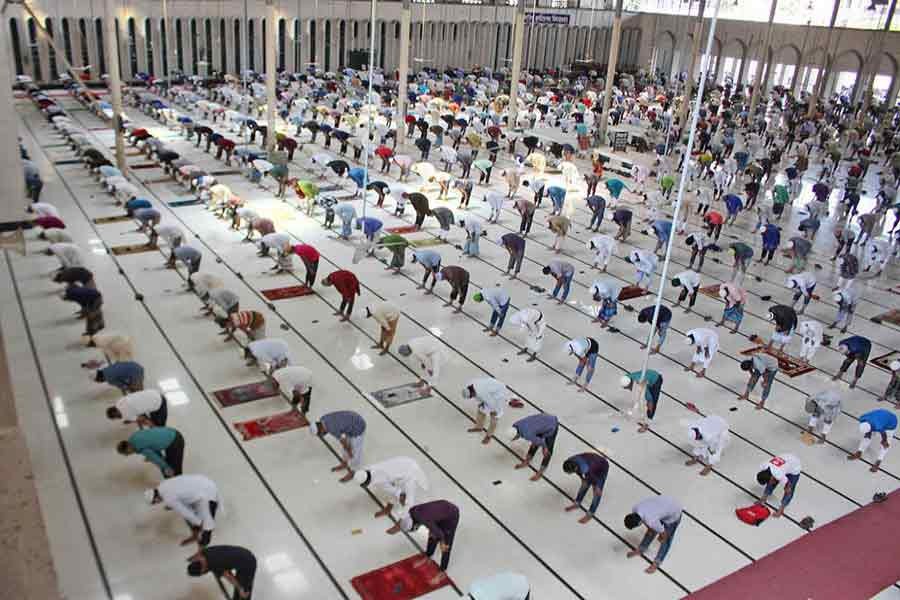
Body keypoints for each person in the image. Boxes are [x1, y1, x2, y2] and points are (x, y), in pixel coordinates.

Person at [354, 457, 430, 532]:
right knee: (391, 491)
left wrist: (403, 499)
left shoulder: (380, 481)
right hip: (404, 464)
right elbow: (392, 490)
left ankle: (399, 524)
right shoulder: (368, 470)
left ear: (366, 483)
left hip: (409, 474)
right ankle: (388, 509)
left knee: (408, 502)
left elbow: (400, 495)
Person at [392, 500, 459, 584]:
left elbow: (440, 534)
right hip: (441, 511)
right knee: (432, 536)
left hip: (451, 515)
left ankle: (442, 572)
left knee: (445, 546)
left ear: (414, 525)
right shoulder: (412, 512)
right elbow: (429, 522)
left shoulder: (423, 519)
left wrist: (442, 542)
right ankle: (428, 556)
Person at [147, 474, 221, 547]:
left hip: (207, 493)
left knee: (206, 523)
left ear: (155, 499)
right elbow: (177, 491)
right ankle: (196, 535)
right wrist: (172, 505)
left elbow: (186, 512)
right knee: (195, 517)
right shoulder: (162, 485)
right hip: (203, 482)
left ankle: (203, 547)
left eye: (155, 503)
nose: (157, 503)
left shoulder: (169, 499)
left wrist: (199, 522)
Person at [625, 495, 683, 574]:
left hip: (674, 513)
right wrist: (652, 529)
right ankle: (641, 549)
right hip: (664, 504)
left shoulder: (651, 520)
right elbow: (649, 526)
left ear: (638, 523)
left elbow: (664, 535)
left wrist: (661, 537)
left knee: (665, 541)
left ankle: (657, 562)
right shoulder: (635, 508)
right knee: (650, 531)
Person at [187, 545, 257, 600]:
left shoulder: (214, 564)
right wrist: (190, 559)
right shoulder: (205, 552)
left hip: (248, 564)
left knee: (243, 592)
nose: (204, 573)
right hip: (242, 553)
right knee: (239, 589)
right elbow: (197, 555)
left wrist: (240, 589)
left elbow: (229, 577)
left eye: (202, 573)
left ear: (202, 570)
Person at [315, 410, 366, 482]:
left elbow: (344, 442)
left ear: (320, 429)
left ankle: (354, 472)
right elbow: (344, 441)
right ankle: (345, 463)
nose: (322, 435)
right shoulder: (323, 419)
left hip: (358, 426)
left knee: (355, 452)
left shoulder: (332, 428)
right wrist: (347, 449)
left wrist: (350, 452)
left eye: (320, 434)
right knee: (346, 448)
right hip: (350, 423)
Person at [116, 426, 185, 478]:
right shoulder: (133, 437)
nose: (128, 455)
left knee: (174, 470)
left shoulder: (140, 447)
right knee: (169, 464)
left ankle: (181, 488)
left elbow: (156, 459)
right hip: (170, 432)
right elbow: (149, 441)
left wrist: (166, 468)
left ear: (128, 449)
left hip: (175, 441)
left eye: (127, 453)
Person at [508, 414, 559, 481]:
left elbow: (540, 442)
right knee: (534, 444)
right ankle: (527, 461)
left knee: (547, 453)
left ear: (516, 435)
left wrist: (545, 447)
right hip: (541, 422)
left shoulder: (527, 434)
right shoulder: (516, 425)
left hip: (551, 425)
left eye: (514, 438)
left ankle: (540, 473)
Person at [562, 453, 609, 523]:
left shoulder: (584, 468)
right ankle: (577, 503)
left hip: (602, 468)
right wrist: (582, 479)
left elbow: (593, 478)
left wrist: (597, 487)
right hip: (592, 464)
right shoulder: (571, 460)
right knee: (584, 485)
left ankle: (590, 513)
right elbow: (577, 471)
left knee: (596, 493)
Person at [462, 378, 510, 445]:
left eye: (471, 396)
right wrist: (482, 404)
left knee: (494, 416)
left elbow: (491, 402)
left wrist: (493, 410)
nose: (472, 397)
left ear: (472, 392)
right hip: (491, 392)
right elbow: (480, 398)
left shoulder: (481, 392)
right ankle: (479, 427)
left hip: (499, 394)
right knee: (481, 410)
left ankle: (488, 436)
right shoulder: (472, 386)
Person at [756, 453, 801, 518]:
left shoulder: (778, 474)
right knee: (771, 483)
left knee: (789, 490)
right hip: (786, 460)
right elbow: (768, 478)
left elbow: (788, 485)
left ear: (772, 477)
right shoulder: (763, 466)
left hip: (794, 467)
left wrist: (787, 488)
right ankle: (763, 499)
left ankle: (781, 509)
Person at [621, 368, 663, 433]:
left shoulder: (640, 383)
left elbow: (649, 398)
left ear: (630, 383)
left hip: (656, 380)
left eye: (628, 387)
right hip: (648, 376)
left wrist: (649, 406)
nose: (628, 389)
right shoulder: (627, 377)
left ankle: (647, 422)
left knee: (652, 401)